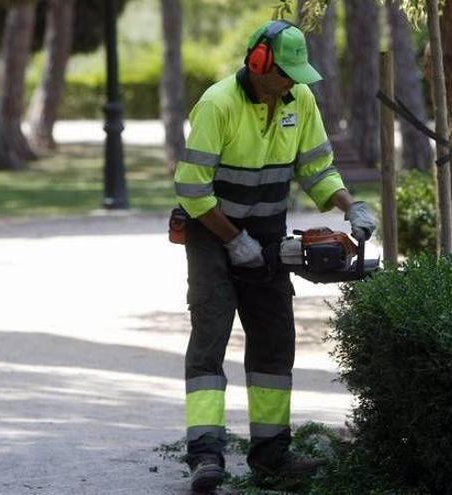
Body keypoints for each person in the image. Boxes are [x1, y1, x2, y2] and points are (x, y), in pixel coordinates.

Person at [172, 20, 376, 492]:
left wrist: (351, 205)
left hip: (266, 233)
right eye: (283, 72)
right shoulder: (218, 104)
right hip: (211, 233)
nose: (291, 81)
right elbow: (192, 190)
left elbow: (316, 167)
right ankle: (205, 456)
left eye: (296, 73)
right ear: (258, 61)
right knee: (211, 336)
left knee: (274, 340)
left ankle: (270, 455)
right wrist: (232, 241)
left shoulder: (299, 99)